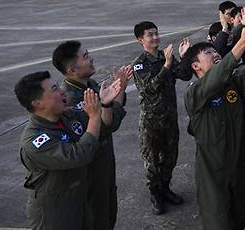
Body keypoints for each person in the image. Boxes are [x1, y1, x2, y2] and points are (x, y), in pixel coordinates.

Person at [182, 17, 245, 229]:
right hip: (213, 173)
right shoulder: (194, 94)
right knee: (218, 220)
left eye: (215, 51)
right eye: (208, 53)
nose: (216, 54)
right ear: (196, 66)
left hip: (237, 166)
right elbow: (215, 78)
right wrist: (242, 43)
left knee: (240, 214)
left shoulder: (229, 84)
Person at [16, 71, 122, 230]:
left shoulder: (66, 116)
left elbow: (104, 126)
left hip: (78, 201)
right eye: (54, 89)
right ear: (38, 103)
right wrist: (94, 116)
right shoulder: (34, 141)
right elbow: (79, 155)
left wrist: (105, 104)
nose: (62, 90)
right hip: (55, 214)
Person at [52, 41, 128, 230]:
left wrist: (116, 92)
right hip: (91, 172)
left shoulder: (90, 85)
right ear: (71, 70)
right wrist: (117, 95)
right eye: (85, 56)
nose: (91, 58)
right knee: (97, 217)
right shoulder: (71, 100)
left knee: (109, 212)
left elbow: (109, 118)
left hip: (104, 164)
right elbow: (107, 125)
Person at [132, 22, 192, 214]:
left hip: (169, 117)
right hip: (151, 121)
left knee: (170, 156)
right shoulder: (140, 64)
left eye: (156, 33)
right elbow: (149, 89)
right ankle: (155, 193)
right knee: (152, 160)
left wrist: (184, 57)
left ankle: (165, 188)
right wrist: (166, 66)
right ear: (140, 40)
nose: (155, 38)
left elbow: (184, 75)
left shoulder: (165, 56)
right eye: (150, 35)